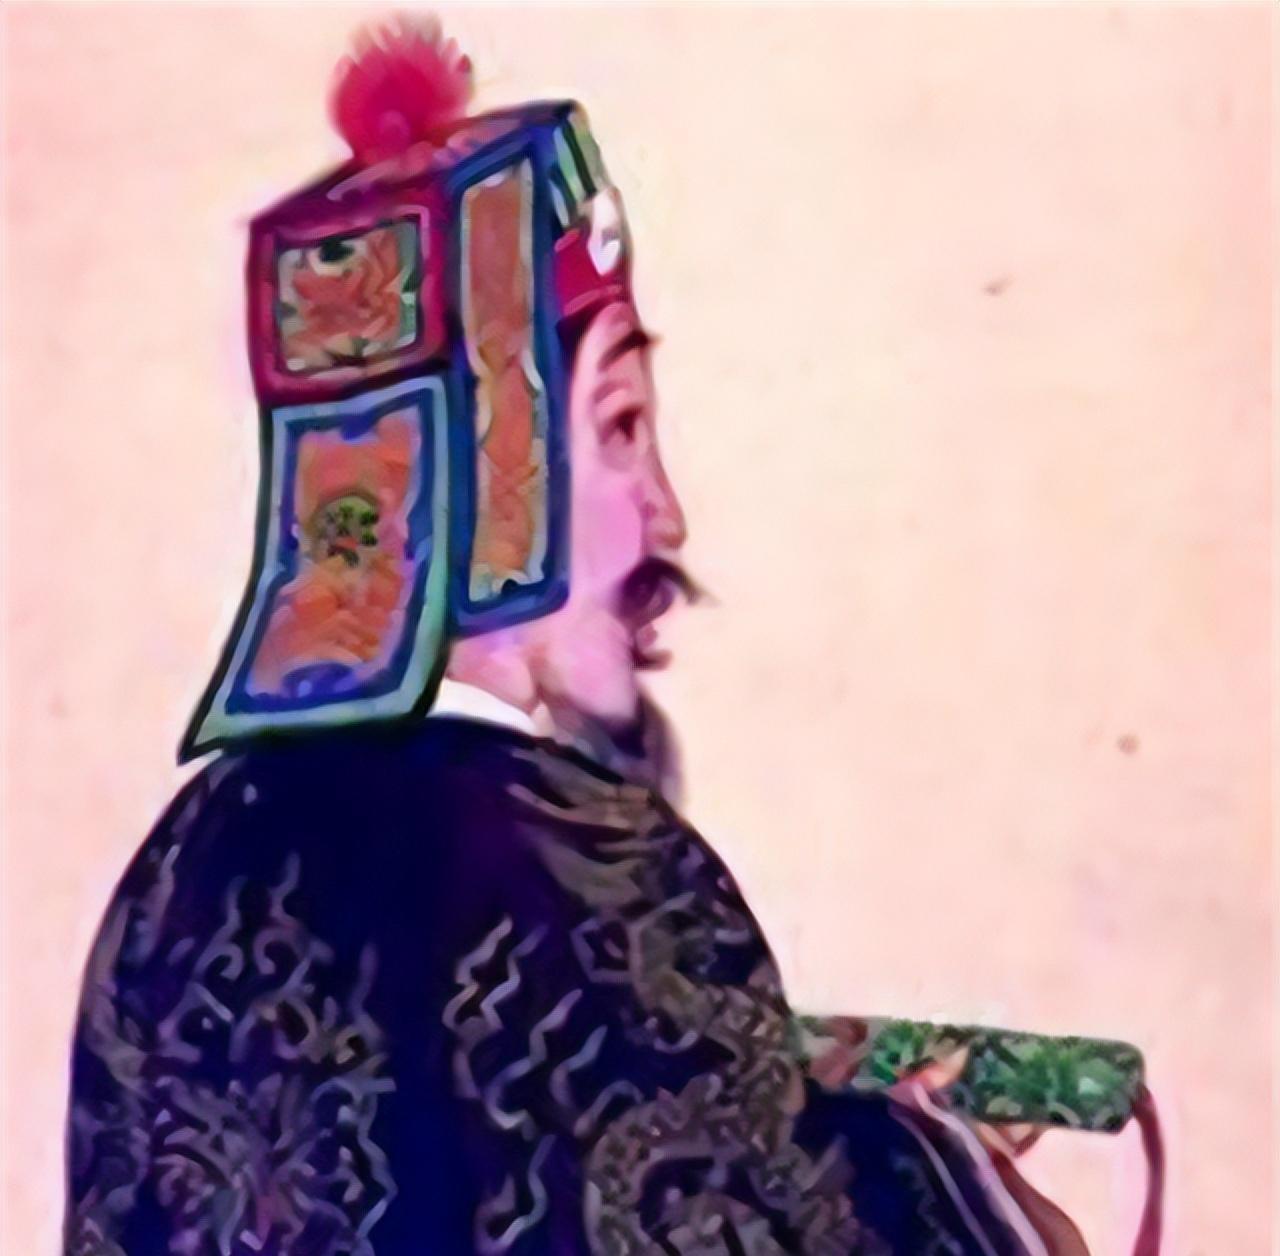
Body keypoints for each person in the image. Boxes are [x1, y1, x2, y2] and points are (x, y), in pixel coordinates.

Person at [63, 18, 1102, 1255]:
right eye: (618, 426)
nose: (664, 511)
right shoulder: (582, 865)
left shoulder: (177, 880)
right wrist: (947, 1164)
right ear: (495, 481)